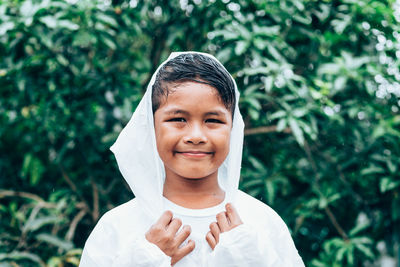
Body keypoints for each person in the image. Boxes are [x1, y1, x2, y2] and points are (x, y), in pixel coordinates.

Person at [79, 52, 305, 266]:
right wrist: (143, 260)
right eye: (178, 119)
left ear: (233, 129)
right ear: (151, 127)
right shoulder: (118, 227)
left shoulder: (260, 222)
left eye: (213, 120)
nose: (196, 136)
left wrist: (249, 260)